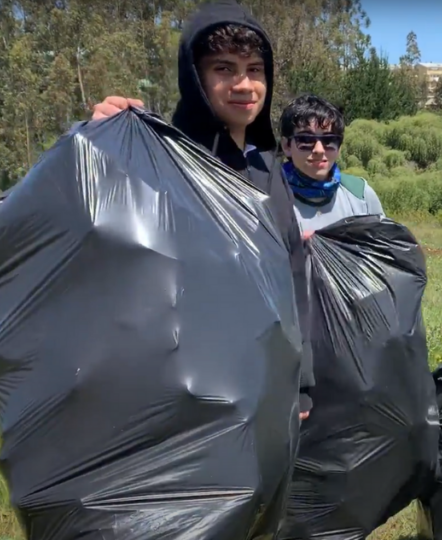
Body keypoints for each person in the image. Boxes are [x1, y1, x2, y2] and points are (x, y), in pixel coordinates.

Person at [88, 1, 314, 420]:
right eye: (224, 69)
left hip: (264, 383)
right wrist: (106, 143)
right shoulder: (163, 156)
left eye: (254, 69)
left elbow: (293, 274)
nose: (244, 85)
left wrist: (300, 383)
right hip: (183, 389)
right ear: (195, 77)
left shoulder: (268, 166)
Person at [278, 94, 384, 234]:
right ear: (286, 146)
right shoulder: (268, 199)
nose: (319, 150)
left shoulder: (360, 194)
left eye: (329, 141)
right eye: (306, 140)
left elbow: (382, 250)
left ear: (339, 147)